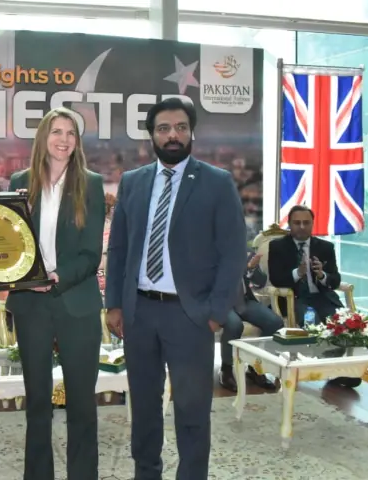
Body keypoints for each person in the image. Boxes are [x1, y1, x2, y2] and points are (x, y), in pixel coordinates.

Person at [105, 98, 247, 479]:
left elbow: (233, 251)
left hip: (191, 316)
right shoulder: (133, 183)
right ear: (152, 135)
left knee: (192, 410)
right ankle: (146, 473)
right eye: (164, 128)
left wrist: (217, 313)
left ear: (191, 132)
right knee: (145, 408)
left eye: (181, 127)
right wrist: (114, 304)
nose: (173, 135)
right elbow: (118, 247)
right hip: (140, 315)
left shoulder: (216, 182)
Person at [7, 107, 106, 480]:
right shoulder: (21, 180)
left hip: (75, 302)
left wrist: (56, 277)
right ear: (43, 138)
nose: (63, 139)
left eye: (70, 133)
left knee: (82, 402)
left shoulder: (90, 183)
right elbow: (10, 245)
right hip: (30, 303)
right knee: (37, 402)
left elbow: (89, 252)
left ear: (76, 141)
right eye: (56, 131)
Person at [268, 205, 359, 388]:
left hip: (321, 296)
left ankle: (337, 368)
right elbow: (276, 279)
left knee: (341, 323)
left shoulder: (325, 247)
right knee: (313, 322)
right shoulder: (277, 246)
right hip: (295, 298)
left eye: (306, 223)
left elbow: (335, 279)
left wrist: (322, 275)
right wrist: (297, 272)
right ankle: (327, 368)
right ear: (290, 224)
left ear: (312, 224)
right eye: (297, 223)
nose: (301, 227)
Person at [218, 250, 281, 392]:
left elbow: (261, 283)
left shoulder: (246, 253)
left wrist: (252, 269)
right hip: (221, 303)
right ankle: (226, 370)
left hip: (244, 301)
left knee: (274, 322)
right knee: (234, 325)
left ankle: (255, 367)